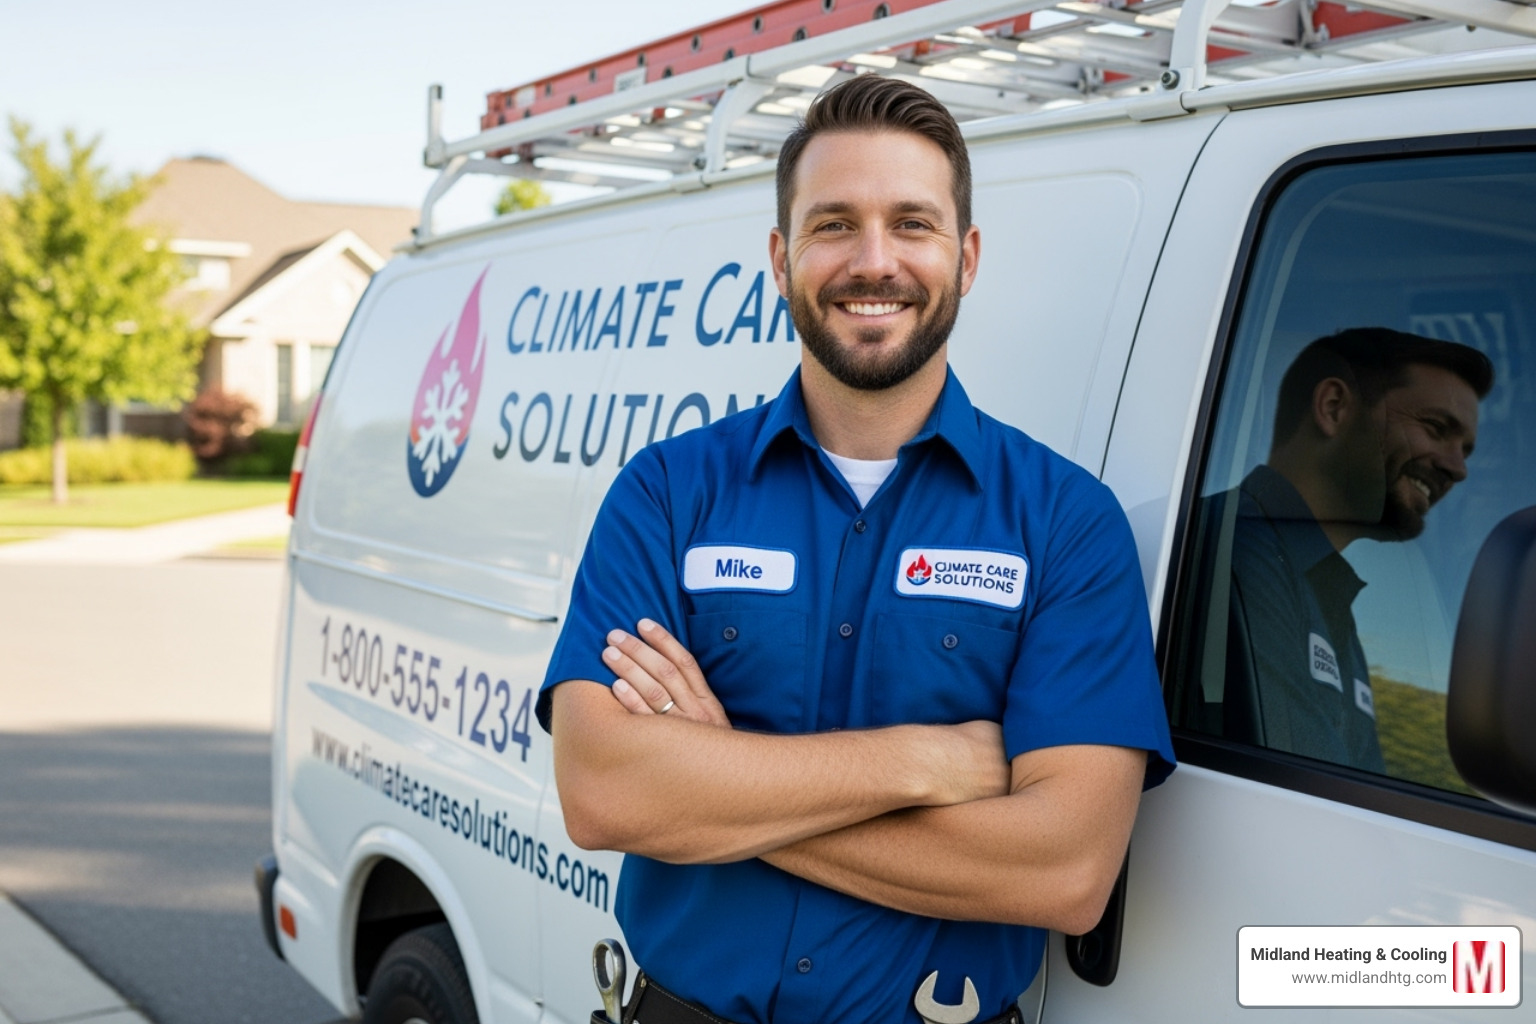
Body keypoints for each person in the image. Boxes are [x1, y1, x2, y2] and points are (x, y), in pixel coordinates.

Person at [536, 74, 1174, 1024]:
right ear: (781, 254)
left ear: (966, 257)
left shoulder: (1066, 523)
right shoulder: (669, 493)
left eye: (911, 224)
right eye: (835, 224)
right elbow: (602, 792)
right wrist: (922, 761)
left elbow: (1067, 868)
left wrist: (716, 780)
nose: (874, 261)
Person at [1220, 327, 1493, 770]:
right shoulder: (1236, 554)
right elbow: (1306, 792)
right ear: (1333, 408)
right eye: (1437, 428)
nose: (1458, 468)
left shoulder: (1326, 590)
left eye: (1465, 449)